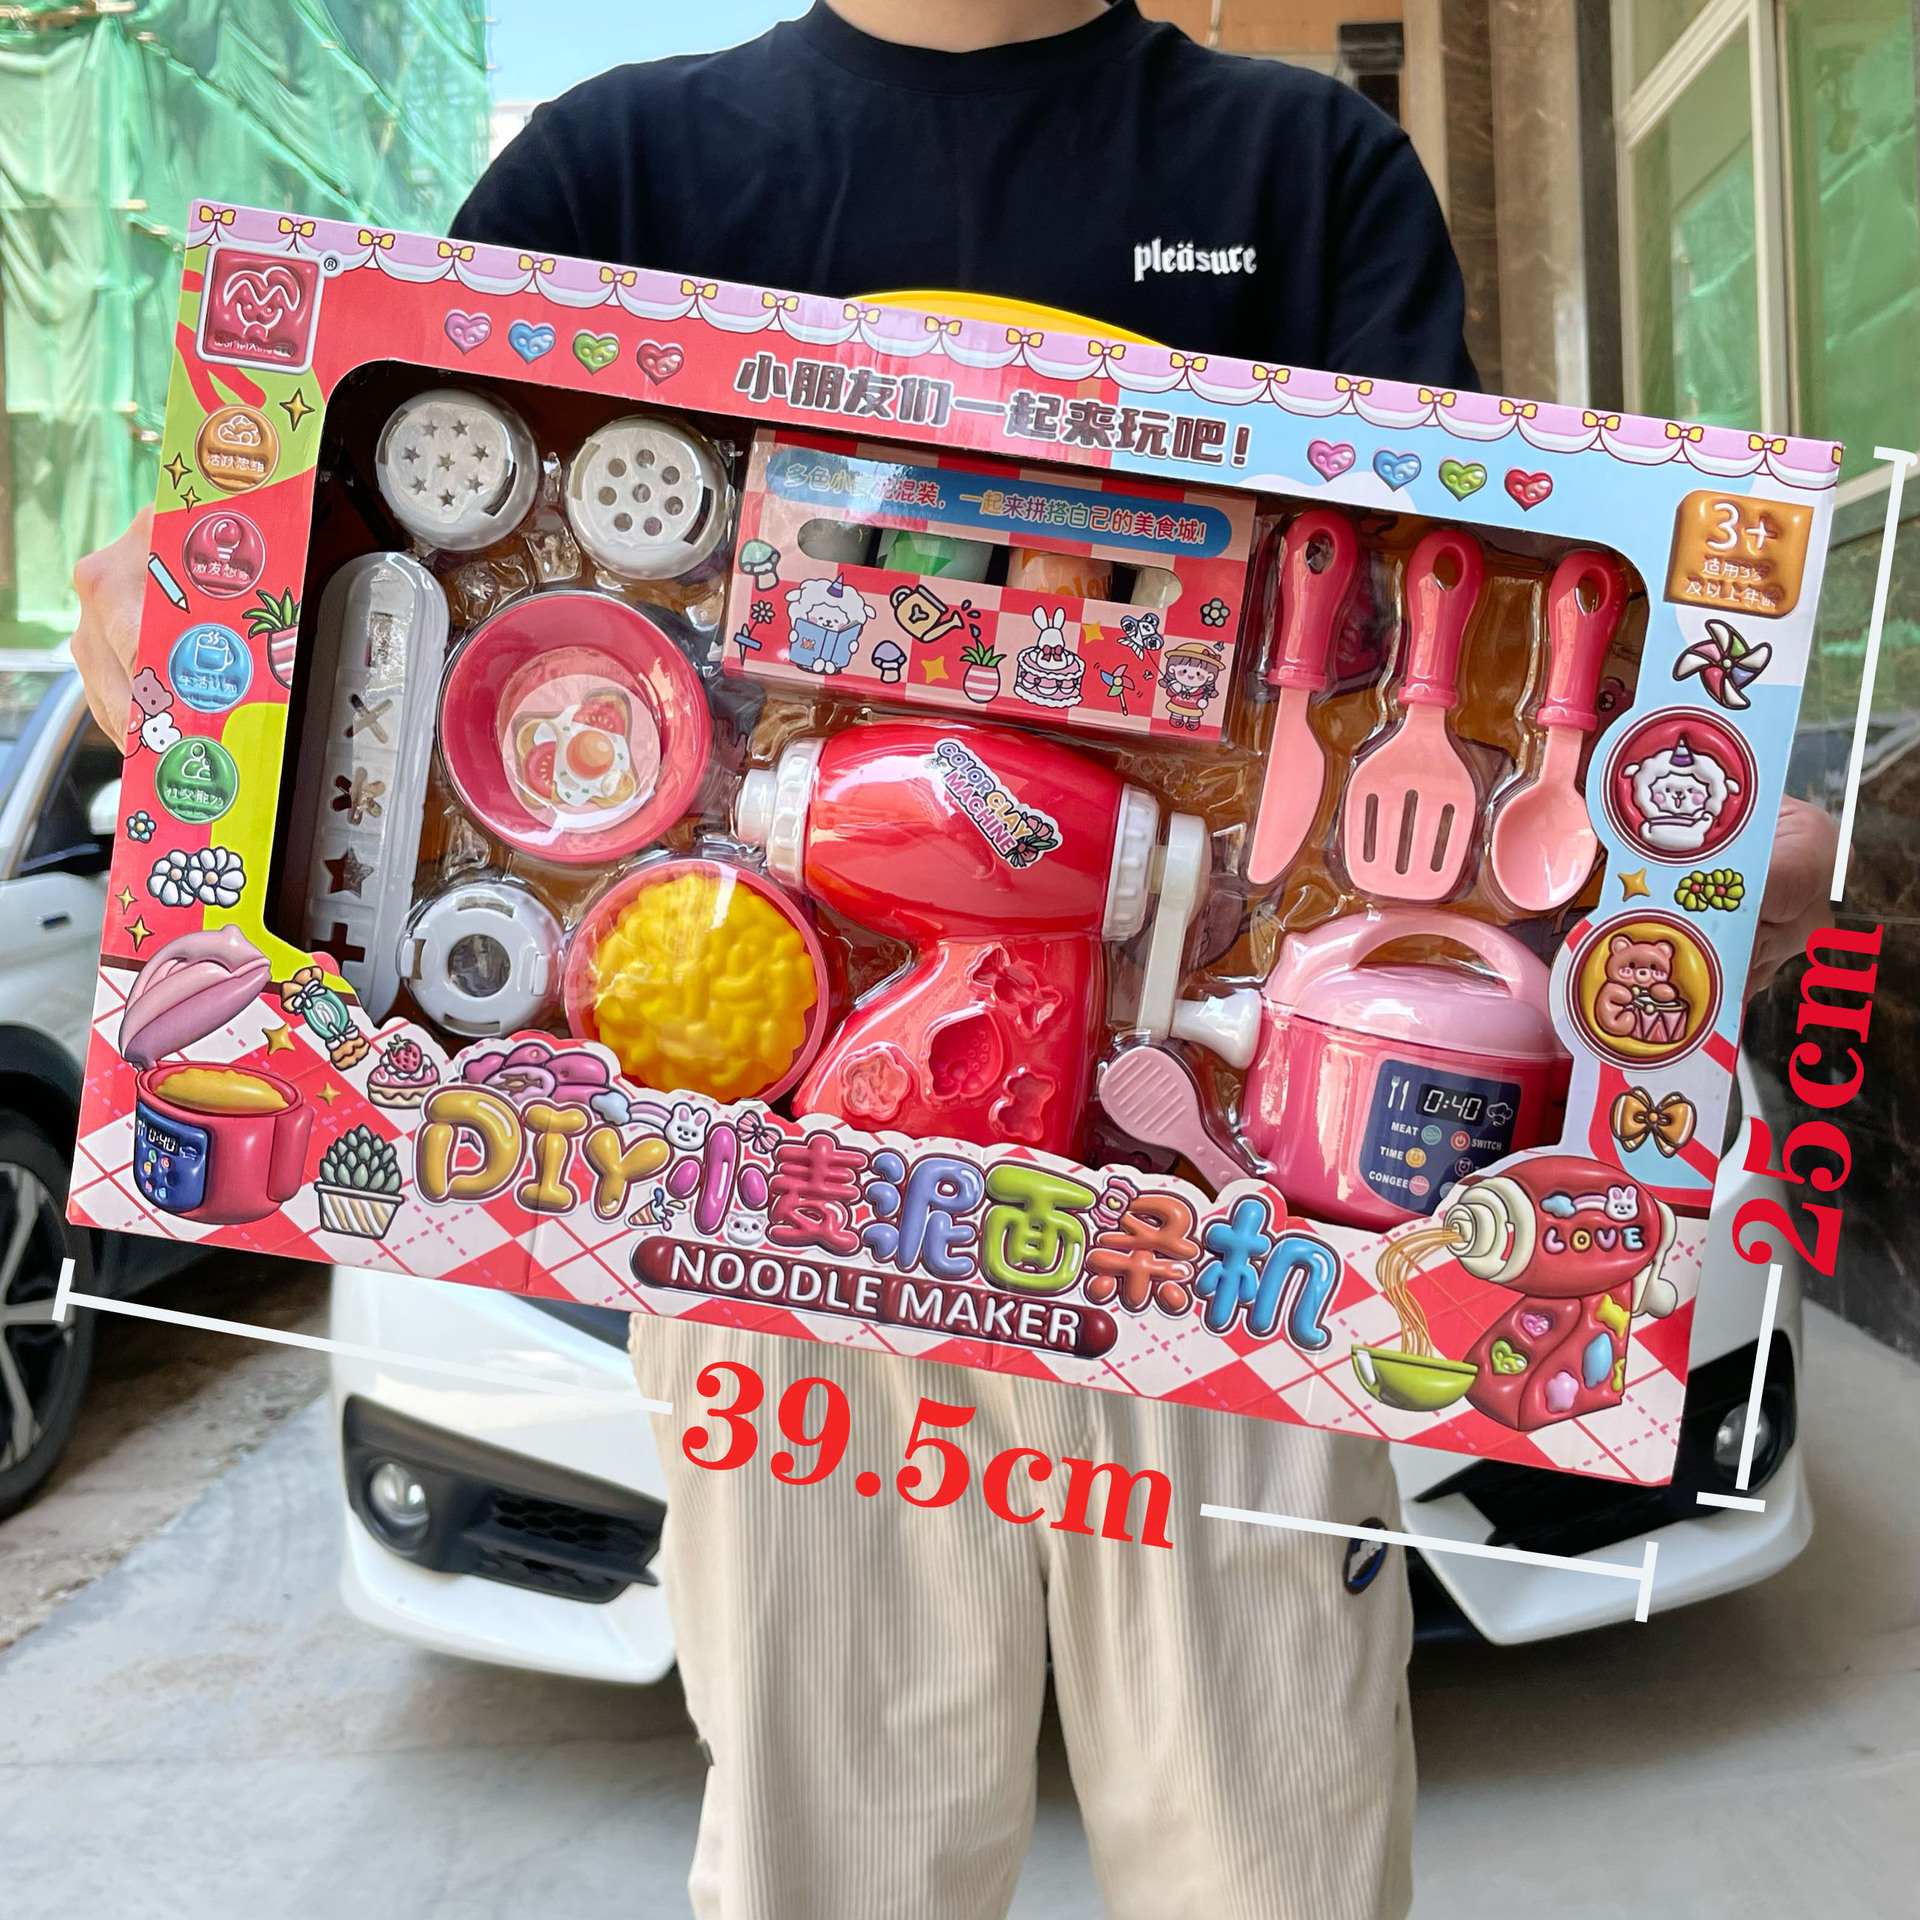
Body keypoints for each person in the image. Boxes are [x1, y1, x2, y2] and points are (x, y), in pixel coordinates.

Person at [71, 5, 1840, 1916]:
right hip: (779, 1245)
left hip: (1223, 1253)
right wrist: (198, 632)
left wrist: (1680, 858)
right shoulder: (621, 171)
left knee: (1270, 1852)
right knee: (837, 1861)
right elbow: (369, 568)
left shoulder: (1305, 170)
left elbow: (1467, 610)